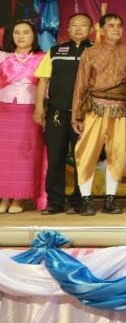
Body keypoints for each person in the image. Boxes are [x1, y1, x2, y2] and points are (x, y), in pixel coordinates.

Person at [71, 13, 126, 215]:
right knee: (87, 152)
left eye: (119, 25)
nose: (116, 29)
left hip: (120, 110)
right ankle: (86, 199)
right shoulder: (90, 53)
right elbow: (80, 85)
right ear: (101, 30)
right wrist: (77, 115)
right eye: (111, 25)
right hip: (95, 108)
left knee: (118, 154)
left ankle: (110, 199)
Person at [34, 13, 93, 215]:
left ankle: (79, 201)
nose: (78, 28)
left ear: (91, 30)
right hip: (57, 113)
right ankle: (55, 202)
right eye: (74, 25)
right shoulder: (56, 51)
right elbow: (43, 79)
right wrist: (39, 107)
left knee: (82, 159)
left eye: (83, 25)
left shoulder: (95, 51)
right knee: (56, 158)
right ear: (67, 29)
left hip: (85, 116)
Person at [0, 19, 46, 213]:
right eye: (17, 32)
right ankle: (4, 197)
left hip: (30, 111)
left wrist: (41, 109)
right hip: (4, 110)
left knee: (24, 155)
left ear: (34, 36)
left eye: (26, 32)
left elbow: (46, 85)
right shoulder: (3, 56)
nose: (21, 36)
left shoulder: (43, 58)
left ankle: (19, 198)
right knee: (4, 155)